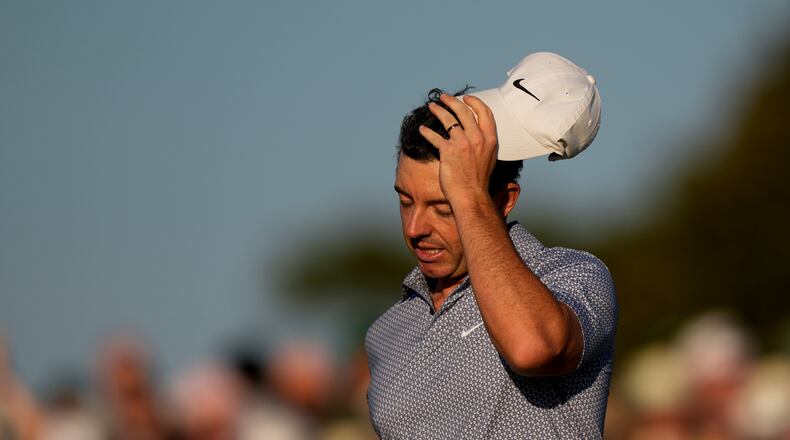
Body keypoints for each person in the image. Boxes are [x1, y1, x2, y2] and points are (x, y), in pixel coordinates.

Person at [365, 52, 618, 439]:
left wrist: (467, 194)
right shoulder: (388, 331)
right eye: (405, 200)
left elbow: (533, 347)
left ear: (503, 200)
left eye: (443, 207)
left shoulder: (572, 274)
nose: (415, 227)